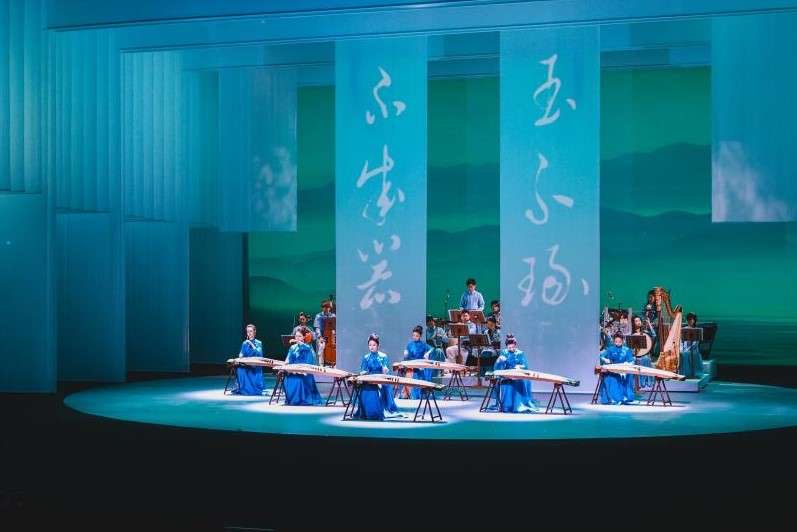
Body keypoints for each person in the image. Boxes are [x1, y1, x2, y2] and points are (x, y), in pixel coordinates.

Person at [353, 334, 400, 420]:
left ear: (378, 345)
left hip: (381, 379)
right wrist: (364, 373)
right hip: (369, 379)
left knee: (381, 388)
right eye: (370, 345)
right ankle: (367, 412)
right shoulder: (366, 357)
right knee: (365, 390)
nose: (371, 347)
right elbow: (362, 370)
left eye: (374, 345)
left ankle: (379, 411)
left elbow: (385, 369)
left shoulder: (383, 356)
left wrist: (385, 369)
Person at [493, 335, 536, 413]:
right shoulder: (504, 352)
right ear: (506, 346)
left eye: (513, 347)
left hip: (517, 375)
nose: (511, 349)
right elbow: (498, 366)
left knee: (519, 382)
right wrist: (499, 361)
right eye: (509, 347)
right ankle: (506, 406)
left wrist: (519, 366)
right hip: (507, 375)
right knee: (504, 382)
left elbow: (525, 366)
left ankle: (518, 406)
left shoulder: (520, 353)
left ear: (515, 346)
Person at [283, 327, 322, 406]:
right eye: (296, 336)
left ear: (304, 337)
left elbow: (309, 362)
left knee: (299, 380)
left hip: (304, 372)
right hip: (294, 371)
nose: (297, 338)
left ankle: (301, 400)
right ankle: (292, 400)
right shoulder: (293, 347)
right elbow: (288, 359)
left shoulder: (308, 347)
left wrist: (299, 343)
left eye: (299, 336)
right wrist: (285, 365)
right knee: (287, 379)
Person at [598, 332, 635, 405]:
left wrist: (627, 364)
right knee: (609, 377)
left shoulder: (626, 350)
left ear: (623, 341)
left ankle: (624, 397)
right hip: (613, 370)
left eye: (619, 341)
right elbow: (601, 356)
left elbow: (631, 360)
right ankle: (612, 398)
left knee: (627, 376)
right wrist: (605, 360)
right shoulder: (610, 349)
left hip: (623, 370)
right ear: (614, 341)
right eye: (616, 341)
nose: (618, 343)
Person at [401, 325, 432, 399]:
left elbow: (432, 348)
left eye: (417, 336)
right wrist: (405, 354)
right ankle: (408, 394)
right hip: (411, 365)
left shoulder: (423, 344)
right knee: (409, 375)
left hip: (419, 365)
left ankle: (420, 394)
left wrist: (427, 353)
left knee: (420, 376)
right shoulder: (410, 344)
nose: (414, 337)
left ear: (420, 336)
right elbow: (406, 356)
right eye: (413, 335)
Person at [234, 324, 264, 395]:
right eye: (248, 332)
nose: (249, 333)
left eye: (251, 331)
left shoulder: (258, 342)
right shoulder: (244, 343)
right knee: (239, 369)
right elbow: (241, 353)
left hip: (255, 366)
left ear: (254, 332)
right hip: (247, 365)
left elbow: (259, 353)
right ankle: (244, 388)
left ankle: (253, 389)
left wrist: (251, 344)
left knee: (252, 370)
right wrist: (240, 355)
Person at [630, 315, 656, 389]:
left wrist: (649, 324)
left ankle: (647, 381)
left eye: (639, 320)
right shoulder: (632, 334)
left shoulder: (645, 332)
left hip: (645, 354)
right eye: (636, 321)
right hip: (636, 355)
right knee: (637, 360)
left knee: (646, 359)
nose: (638, 322)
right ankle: (638, 383)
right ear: (633, 323)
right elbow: (630, 347)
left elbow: (654, 335)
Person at [680, 312, 704, 379]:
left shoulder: (697, 330)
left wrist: (687, 350)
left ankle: (691, 373)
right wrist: (681, 349)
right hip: (684, 348)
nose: (689, 321)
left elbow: (695, 343)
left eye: (691, 319)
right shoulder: (683, 329)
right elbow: (681, 341)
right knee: (682, 353)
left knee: (687, 354)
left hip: (693, 349)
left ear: (694, 320)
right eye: (688, 319)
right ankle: (684, 373)